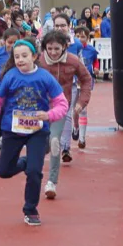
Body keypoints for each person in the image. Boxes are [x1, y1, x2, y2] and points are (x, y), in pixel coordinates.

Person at [0, 40, 69, 226]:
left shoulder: (45, 77)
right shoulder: (10, 77)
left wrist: (49, 115)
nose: (20, 60)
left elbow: (62, 104)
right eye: (16, 57)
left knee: (34, 171)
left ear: (34, 57)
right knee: (3, 171)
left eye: (24, 56)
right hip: (12, 130)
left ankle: (30, 209)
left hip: (37, 131)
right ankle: (24, 162)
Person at [39, 30, 92, 200]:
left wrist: (81, 103)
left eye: (57, 48)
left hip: (60, 107)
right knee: (43, 144)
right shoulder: (37, 61)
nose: (53, 52)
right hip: (38, 107)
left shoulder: (73, 61)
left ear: (64, 47)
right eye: (49, 48)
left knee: (55, 141)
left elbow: (86, 80)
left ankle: (51, 182)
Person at [67, 26, 99, 149]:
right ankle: (75, 127)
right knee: (73, 109)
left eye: (83, 37)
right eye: (78, 36)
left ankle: (82, 138)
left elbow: (95, 61)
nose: (80, 39)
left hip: (85, 82)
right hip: (74, 82)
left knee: (82, 109)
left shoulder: (91, 50)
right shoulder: (71, 47)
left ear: (88, 38)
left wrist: (95, 68)